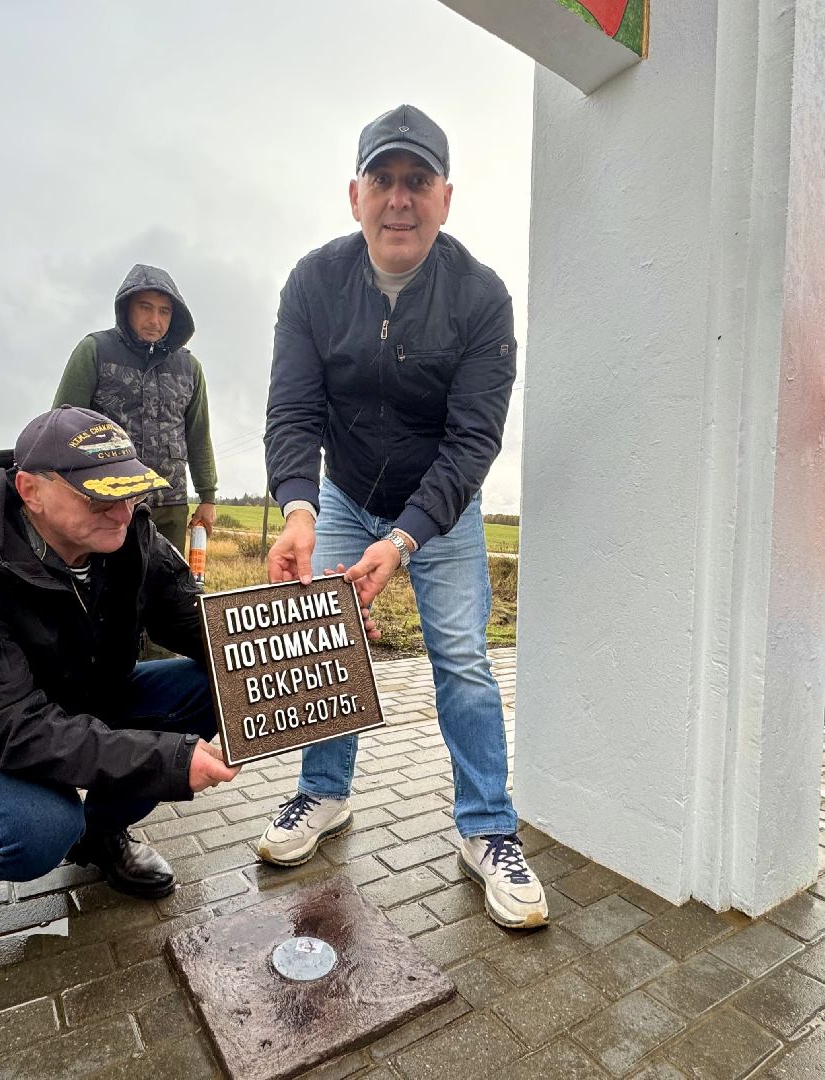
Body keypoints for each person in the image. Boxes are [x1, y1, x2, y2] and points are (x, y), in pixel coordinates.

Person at [259, 104, 547, 930]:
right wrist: (298, 508)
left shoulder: (481, 297)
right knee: (326, 642)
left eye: (416, 181)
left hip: (440, 506)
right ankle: (322, 795)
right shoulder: (312, 283)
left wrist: (405, 536)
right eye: (382, 180)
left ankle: (487, 828)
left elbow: (474, 438)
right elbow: (292, 412)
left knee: (459, 656)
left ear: (444, 197)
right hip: (343, 493)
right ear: (354, 195)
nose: (398, 199)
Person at [0, 406, 239, 939]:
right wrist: (164, 758)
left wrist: (313, 631)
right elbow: (15, 729)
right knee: (39, 830)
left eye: (132, 492)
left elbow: (203, 626)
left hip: (82, 697)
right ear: (31, 490)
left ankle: (100, 836)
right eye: (100, 497)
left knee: (220, 684)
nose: (123, 513)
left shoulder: (130, 537)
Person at [53, 264, 217, 554]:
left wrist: (208, 497)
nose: (155, 320)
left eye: (164, 311)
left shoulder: (189, 368)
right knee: (106, 593)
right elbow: (60, 428)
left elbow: (199, 436)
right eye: (145, 307)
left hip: (170, 503)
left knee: (167, 591)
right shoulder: (94, 351)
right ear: (127, 308)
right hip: (108, 500)